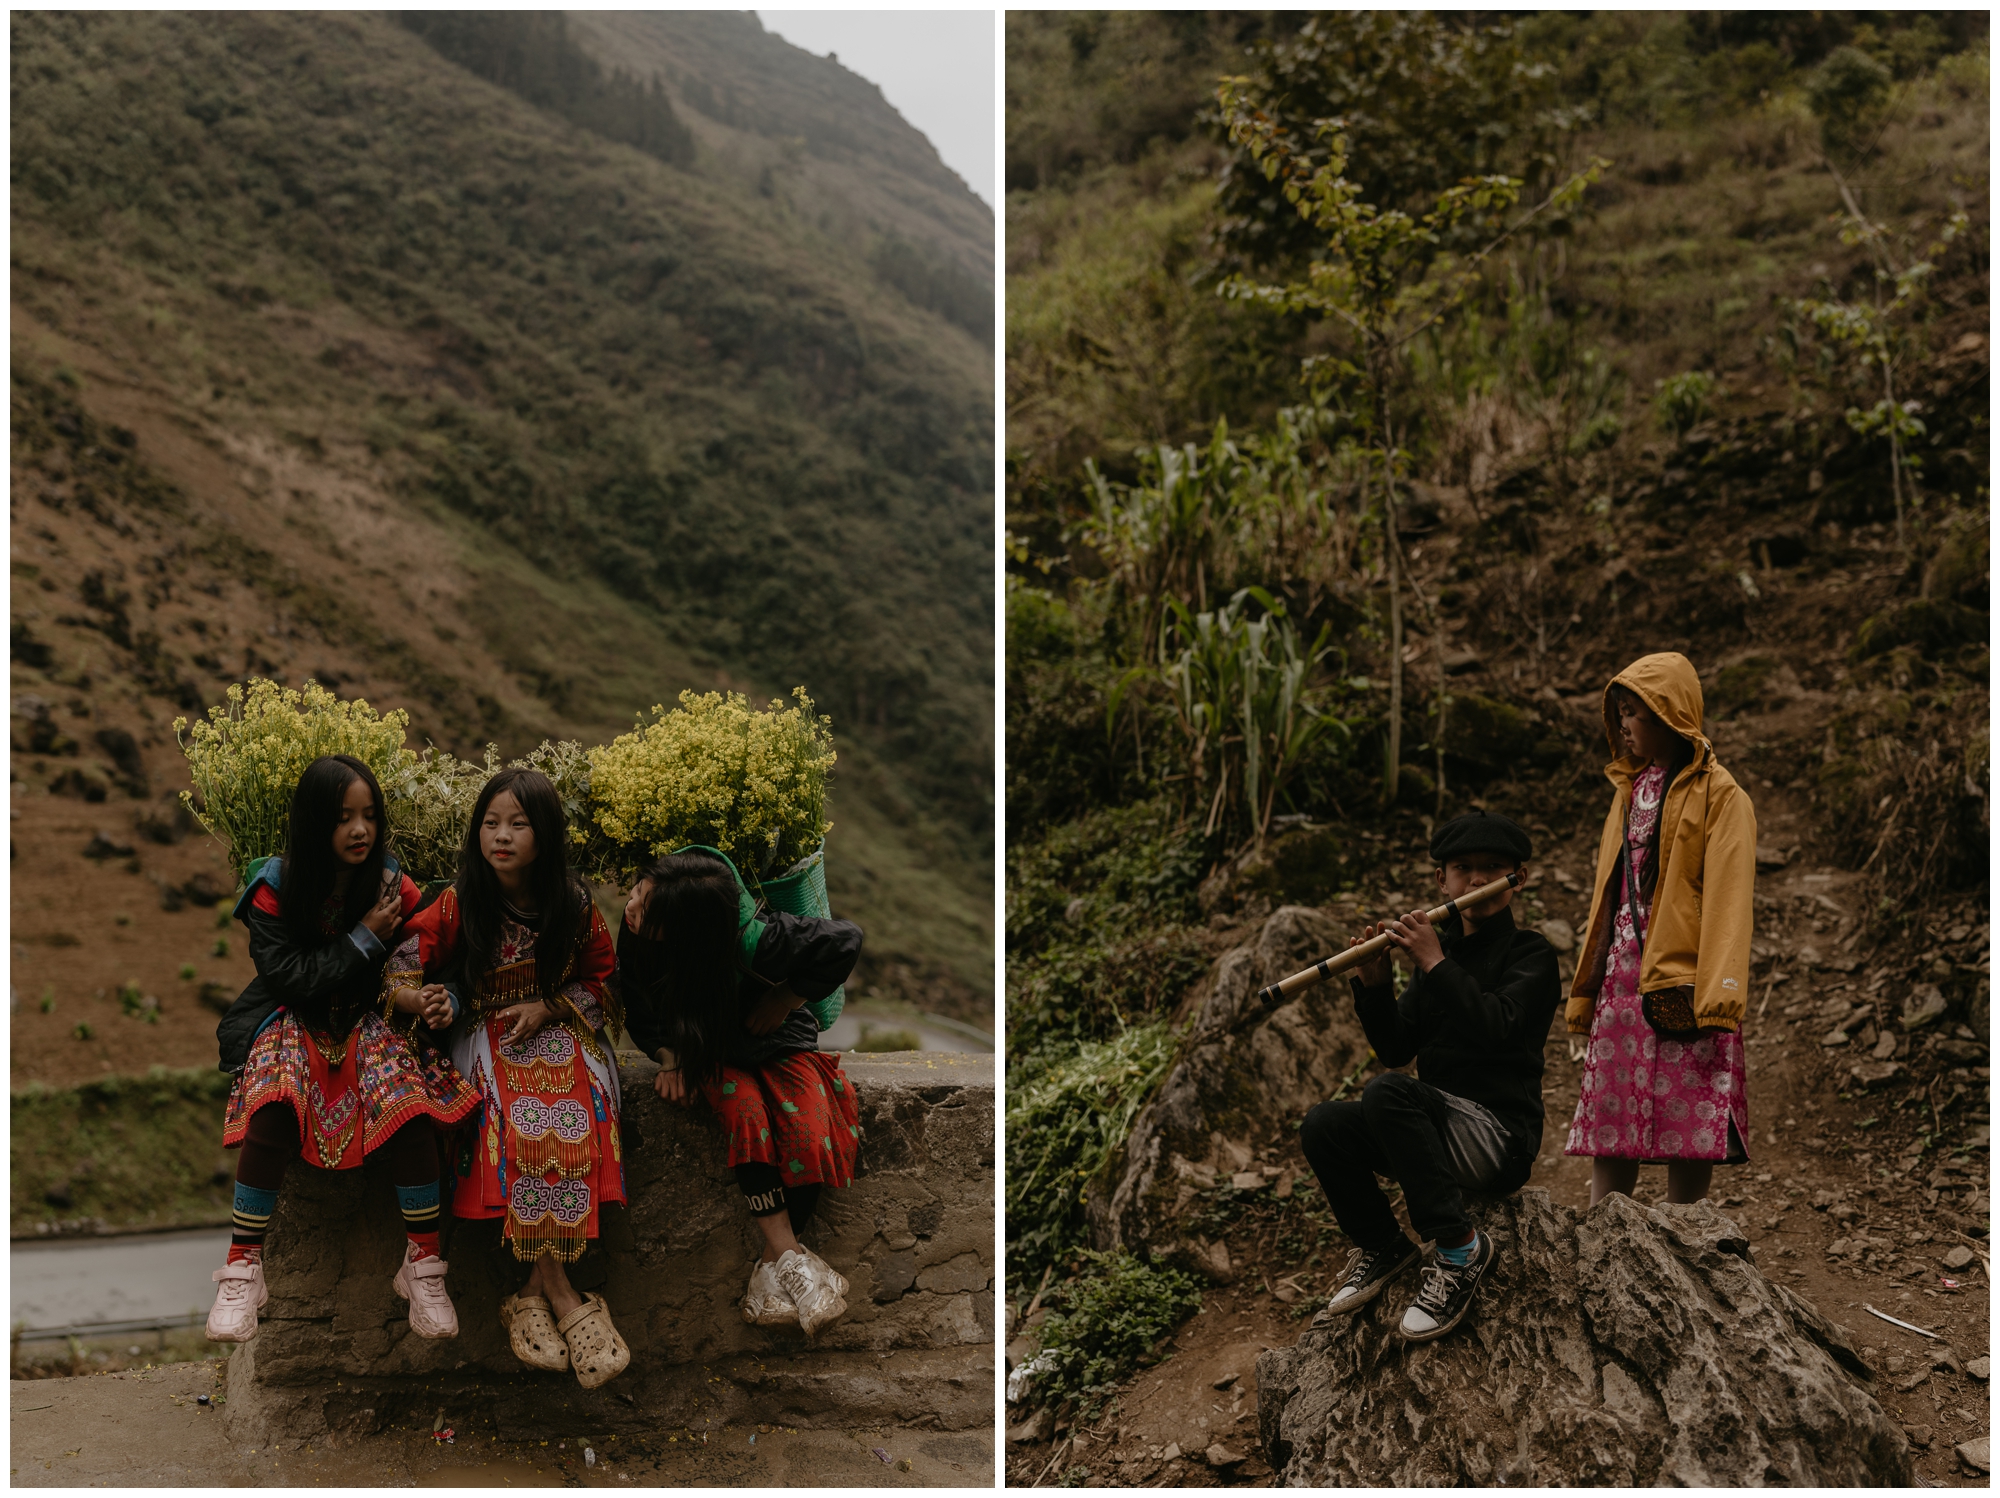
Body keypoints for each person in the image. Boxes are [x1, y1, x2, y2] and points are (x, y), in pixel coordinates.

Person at [207, 754, 477, 1345]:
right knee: (274, 1103)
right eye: (343, 818)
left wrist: (435, 996)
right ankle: (243, 1266)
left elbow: (432, 954)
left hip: (367, 1020)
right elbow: (288, 977)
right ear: (312, 823)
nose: (360, 830)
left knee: (409, 1110)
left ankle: (423, 1265)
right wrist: (362, 939)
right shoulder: (274, 886)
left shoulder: (389, 884)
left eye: (370, 816)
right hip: (294, 1018)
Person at [385, 768, 629, 1388]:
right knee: (514, 1115)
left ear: (544, 834)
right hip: (484, 1030)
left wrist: (549, 1008)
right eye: (491, 823)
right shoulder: (460, 903)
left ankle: (530, 1292)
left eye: (518, 824)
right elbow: (402, 966)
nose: (502, 836)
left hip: (561, 1024)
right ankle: (565, 1294)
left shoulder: (572, 906)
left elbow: (605, 980)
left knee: (578, 1108)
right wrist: (427, 1003)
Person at [1298, 811, 1560, 1343]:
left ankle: (1460, 1249)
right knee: (1325, 1124)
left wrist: (1435, 962)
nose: (1478, 880)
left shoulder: (1530, 954)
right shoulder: (1435, 956)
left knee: (1388, 1093)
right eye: (1463, 868)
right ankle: (1384, 1246)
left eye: (1493, 867)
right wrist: (1373, 985)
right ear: (1442, 880)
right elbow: (1397, 1049)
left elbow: (1498, 1028)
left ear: (1518, 878)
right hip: (1433, 1133)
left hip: (1496, 1140)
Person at [617, 848, 863, 1337]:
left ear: (691, 932)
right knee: (747, 1114)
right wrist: (671, 1057)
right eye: (636, 894)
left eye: (645, 909)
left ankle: (772, 1273)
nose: (630, 910)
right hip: (710, 1048)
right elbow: (637, 1002)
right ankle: (795, 1264)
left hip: (776, 1037)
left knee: (808, 1129)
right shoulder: (639, 931)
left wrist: (785, 996)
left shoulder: (759, 940)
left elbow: (846, 941)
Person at [1563, 652, 1756, 1207]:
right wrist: (1590, 979)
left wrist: (1719, 992)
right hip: (1622, 975)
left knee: (1688, 1106)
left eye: (1634, 713)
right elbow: (1608, 892)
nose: (1623, 725)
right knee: (1614, 1104)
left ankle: (1685, 1224)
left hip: (1685, 975)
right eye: (1619, 713)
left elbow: (1728, 901)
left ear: (1670, 714)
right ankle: (1602, 1222)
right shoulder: (1626, 791)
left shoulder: (1722, 796)